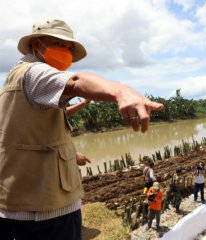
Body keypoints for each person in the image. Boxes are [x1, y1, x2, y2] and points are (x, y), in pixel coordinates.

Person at [0, 19, 163, 240]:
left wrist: (70, 154)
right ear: (35, 45)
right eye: (57, 43)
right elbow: (77, 81)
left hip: (30, 205)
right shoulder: (34, 73)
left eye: (69, 48)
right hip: (43, 215)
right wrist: (120, 92)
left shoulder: (20, 83)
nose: (65, 51)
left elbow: (38, 129)